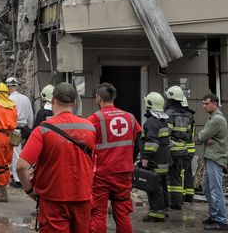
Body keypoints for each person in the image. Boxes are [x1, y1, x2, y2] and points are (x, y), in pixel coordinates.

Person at [16, 82, 95, 233]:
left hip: (53, 201)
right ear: (75, 103)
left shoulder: (43, 130)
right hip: (83, 198)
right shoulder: (89, 127)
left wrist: (29, 190)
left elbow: (21, 166)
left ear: (52, 101)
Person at [88, 83, 141, 233]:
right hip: (124, 172)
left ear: (98, 98)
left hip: (102, 174)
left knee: (98, 213)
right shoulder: (130, 117)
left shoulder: (95, 118)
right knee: (122, 214)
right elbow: (136, 142)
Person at [196, 93, 228, 231]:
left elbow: (202, 135)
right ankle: (214, 216)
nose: (204, 106)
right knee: (207, 187)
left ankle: (222, 221)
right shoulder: (212, 118)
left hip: (216, 158)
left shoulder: (217, 119)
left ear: (214, 104)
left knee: (216, 190)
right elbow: (203, 136)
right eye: (203, 103)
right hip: (210, 158)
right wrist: (204, 137)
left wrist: (204, 137)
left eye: (206, 103)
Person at [140, 92, 170, 223]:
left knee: (153, 186)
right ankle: (163, 208)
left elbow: (152, 142)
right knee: (162, 185)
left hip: (154, 161)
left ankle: (156, 213)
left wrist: (145, 157)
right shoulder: (163, 120)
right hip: (164, 160)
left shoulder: (151, 122)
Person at [164, 85, 195, 210]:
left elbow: (166, 133)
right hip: (183, 150)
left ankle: (173, 202)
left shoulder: (168, 114)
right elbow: (189, 134)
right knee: (178, 176)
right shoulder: (188, 115)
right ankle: (179, 201)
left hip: (171, 150)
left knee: (170, 177)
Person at [6, 77, 33, 189]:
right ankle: (20, 175)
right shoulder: (25, 98)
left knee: (15, 154)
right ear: (16, 86)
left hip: (14, 129)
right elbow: (30, 115)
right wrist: (30, 128)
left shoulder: (8, 100)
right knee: (22, 152)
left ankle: (18, 179)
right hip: (25, 129)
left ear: (8, 87)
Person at [182, 97, 197, 204]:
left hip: (185, 148)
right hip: (191, 148)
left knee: (181, 172)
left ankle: (182, 196)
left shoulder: (183, 117)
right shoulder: (190, 116)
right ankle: (189, 195)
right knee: (187, 172)